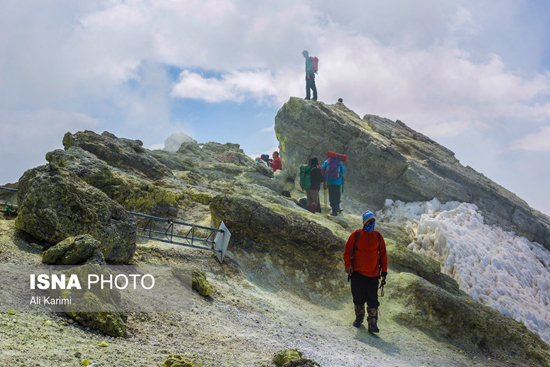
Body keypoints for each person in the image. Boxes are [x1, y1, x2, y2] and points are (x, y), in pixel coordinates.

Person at [343, 210, 388, 332]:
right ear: (364, 222)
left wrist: (384, 272)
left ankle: (372, 324)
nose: (371, 224)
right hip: (357, 273)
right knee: (358, 298)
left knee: (373, 300)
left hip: (373, 275)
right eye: (369, 221)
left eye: (373, 221)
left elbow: (383, 255)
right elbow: (347, 251)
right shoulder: (356, 235)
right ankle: (359, 318)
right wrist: (348, 265)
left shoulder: (378, 237)